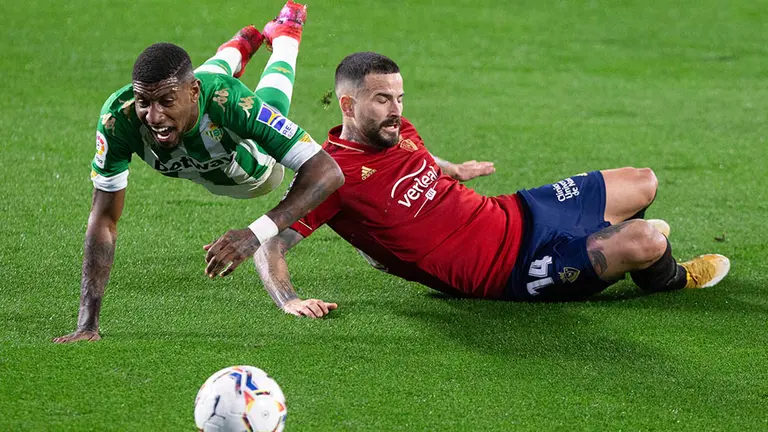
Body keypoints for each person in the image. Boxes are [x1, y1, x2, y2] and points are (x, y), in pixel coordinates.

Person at [248, 52, 730, 318]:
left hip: (520, 212)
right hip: (512, 270)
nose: (395, 109)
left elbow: (420, 159)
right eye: (381, 100)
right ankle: (666, 275)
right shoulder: (328, 177)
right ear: (348, 106)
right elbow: (268, 244)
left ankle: (621, 246)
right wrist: (290, 300)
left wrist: (451, 168)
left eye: (399, 97)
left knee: (644, 181)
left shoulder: (399, 130)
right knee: (647, 238)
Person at [53, 1, 344, 343]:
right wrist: (87, 324)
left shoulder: (229, 103)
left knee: (267, 116)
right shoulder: (119, 119)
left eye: (164, 101)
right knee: (201, 80)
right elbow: (103, 220)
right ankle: (237, 48)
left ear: (191, 94)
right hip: (200, 96)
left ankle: (285, 38)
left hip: (250, 174)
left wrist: (254, 234)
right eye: (144, 101)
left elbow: (327, 172)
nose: (153, 116)